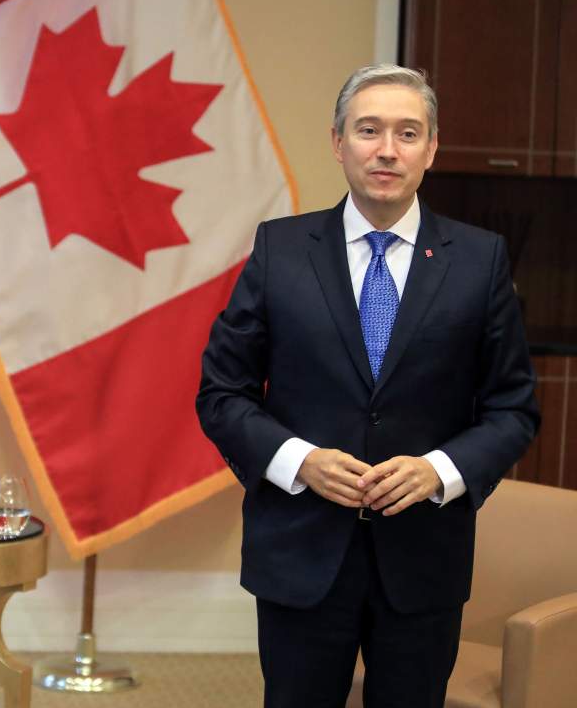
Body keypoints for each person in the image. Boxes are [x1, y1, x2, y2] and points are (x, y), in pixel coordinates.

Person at [195, 64, 538, 708]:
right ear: (337, 142)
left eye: (408, 133)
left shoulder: (480, 259)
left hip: (422, 558)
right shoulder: (281, 249)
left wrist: (441, 470)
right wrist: (300, 462)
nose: (387, 149)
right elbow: (221, 393)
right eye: (369, 130)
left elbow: (512, 408)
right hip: (300, 551)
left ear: (432, 149)